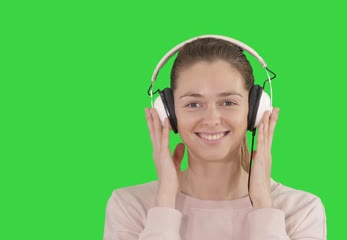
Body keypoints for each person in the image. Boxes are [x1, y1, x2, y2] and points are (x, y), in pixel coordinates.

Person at [103, 36, 327, 240]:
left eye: (228, 102)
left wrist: (263, 207)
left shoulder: (302, 211)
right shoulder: (129, 206)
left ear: (255, 110)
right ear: (168, 112)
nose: (211, 119)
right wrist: (164, 206)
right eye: (193, 104)